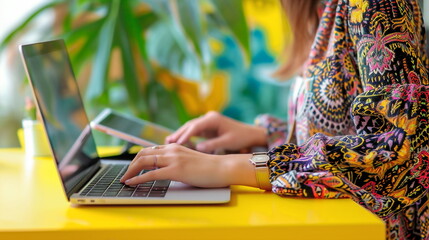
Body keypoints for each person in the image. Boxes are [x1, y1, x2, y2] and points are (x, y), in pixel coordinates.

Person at [121, 0, 429, 239]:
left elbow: (402, 147)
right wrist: (265, 136)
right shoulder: (321, 8)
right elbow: (346, 131)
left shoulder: (376, 5)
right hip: (332, 222)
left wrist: (228, 167)